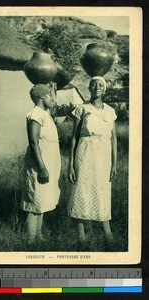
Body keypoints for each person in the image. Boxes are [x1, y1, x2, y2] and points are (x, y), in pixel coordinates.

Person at [68, 76, 117, 243]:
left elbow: (113, 139)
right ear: (89, 88)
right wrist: (70, 165)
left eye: (100, 85)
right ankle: (81, 234)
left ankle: (107, 232)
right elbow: (74, 137)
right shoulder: (82, 109)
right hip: (85, 152)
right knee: (82, 189)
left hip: (103, 155)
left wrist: (114, 164)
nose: (97, 87)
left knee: (102, 190)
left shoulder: (110, 111)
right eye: (93, 84)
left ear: (104, 89)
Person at [21, 84, 61, 243]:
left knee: (42, 199)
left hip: (48, 162)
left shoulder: (45, 114)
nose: (53, 99)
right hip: (39, 164)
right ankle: (30, 239)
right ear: (41, 97)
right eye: (50, 95)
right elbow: (33, 141)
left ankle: (38, 235)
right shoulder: (36, 114)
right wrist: (42, 167)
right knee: (35, 199)